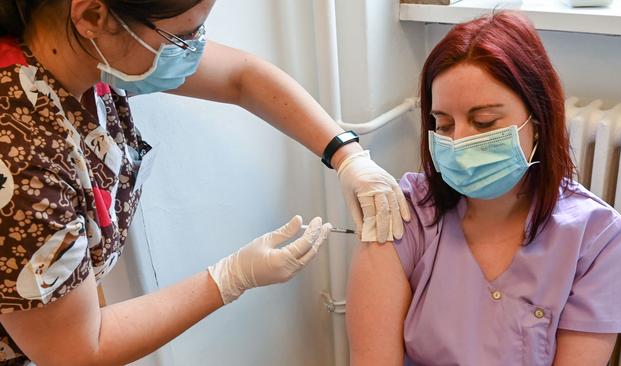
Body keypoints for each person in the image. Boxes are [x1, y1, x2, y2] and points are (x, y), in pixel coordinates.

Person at [0, 0, 411, 364]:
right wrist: (231, 277)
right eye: (182, 35)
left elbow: (241, 77)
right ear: (93, 15)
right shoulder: (21, 159)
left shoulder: (82, 52)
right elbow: (77, 350)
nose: (195, 48)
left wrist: (347, 155)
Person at [346, 11, 621, 366]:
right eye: (444, 124)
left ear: (538, 122)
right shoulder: (402, 216)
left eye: (483, 122)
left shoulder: (595, 237)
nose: (460, 142)